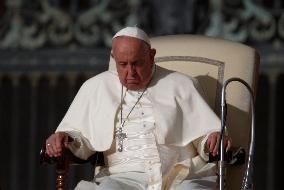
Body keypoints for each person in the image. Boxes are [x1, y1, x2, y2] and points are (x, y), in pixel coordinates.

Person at [45, 26, 231, 190]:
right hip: (122, 178)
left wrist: (212, 139)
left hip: (181, 174)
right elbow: (80, 138)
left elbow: (204, 134)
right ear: (113, 58)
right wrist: (64, 139)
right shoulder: (95, 87)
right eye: (123, 65)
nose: (130, 72)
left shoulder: (182, 84)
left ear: (151, 56)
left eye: (137, 63)